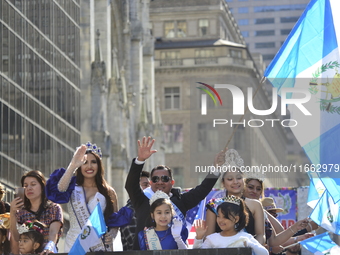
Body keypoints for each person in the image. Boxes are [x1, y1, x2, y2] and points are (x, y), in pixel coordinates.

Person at [125, 136, 220, 250]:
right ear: (151, 183)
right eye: (155, 179)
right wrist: (140, 160)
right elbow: (130, 185)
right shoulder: (142, 201)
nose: (160, 182)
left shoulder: (181, 201)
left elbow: (202, 190)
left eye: (164, 179)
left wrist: (215, 169)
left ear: (172, 182)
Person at [46, 142, 131, 253]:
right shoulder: (72, 187)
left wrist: (112, 235)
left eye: (93, 162)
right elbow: (59, 189)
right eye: (85, 162)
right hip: (74, 244)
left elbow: (114, 220)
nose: (89, 166)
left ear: (99, 165)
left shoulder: (108, 191)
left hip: (99, 245)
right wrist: (73, 165)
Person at [205, 149, 266, 245]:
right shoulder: (214, 205)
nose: (235, 182)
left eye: (239, 178)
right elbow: (208, 237)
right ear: (223, 183)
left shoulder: (255, 204)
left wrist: (254, 249)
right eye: (230, 179)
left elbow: (260, 234)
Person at [193, 196, 269, 255]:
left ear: (236, 219)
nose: (221, 220)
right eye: (218, 216)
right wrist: (199, 238)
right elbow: (199, 253)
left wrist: (250, 244)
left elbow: (264, 253)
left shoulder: (246, 237)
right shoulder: (212, 238)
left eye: (225, 217)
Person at [10, 171, 63, 254]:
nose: (29, 188)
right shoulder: (21, 211)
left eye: (33, 184)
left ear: (42, 187)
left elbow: (53, 232)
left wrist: (49, 247)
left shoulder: (54, 208)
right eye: (25, 186)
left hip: (47, 252)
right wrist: (12, 213)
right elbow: (17, 237)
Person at [120, 171, 150, 250]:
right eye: (145, 185)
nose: (149, 188)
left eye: (150, 184)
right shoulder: (129, 212)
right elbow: (135, 243)